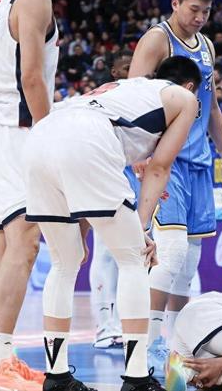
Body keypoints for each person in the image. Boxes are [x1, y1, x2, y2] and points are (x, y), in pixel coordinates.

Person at [23, 57, 202, 391]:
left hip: (41, 136)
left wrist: (85, 228)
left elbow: (77, 162)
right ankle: (136, 378)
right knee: (134, 257)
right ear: (191, 86)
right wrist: (142, 227)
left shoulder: (125, 90)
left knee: (64, 263)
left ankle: (56, 377)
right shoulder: (185, 99)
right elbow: (159, 167)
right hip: (88, 138)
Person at [128, 0, 222, 365]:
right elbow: (133, 97)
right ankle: (145, 342)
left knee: (189, 261)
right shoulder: (156, 40)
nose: (200, 18)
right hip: (165, 161)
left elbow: (213, 106)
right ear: (175, 3)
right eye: (194, 9)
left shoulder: (206, 46)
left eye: (206, 11)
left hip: (200, 161)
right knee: (170, 254)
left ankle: (176, 343)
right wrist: (139, 152)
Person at [0, 0, 59, 388]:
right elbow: (32, 78)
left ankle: (0, 355)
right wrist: (49, 136)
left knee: (6, 243)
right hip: (16, 127)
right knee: (25, 240)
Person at [89, 49, 133, 350]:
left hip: (128, 178)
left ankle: (117, 326)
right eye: (126, 67)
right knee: (105, 253)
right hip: (103, 176)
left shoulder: (138, 94)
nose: (134, 70)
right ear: (114, 72)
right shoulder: (105, 97)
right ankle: (104, 328)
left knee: (125, 256)